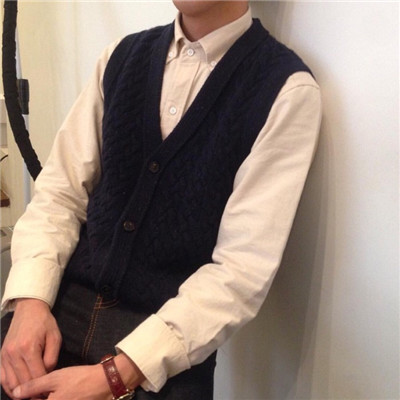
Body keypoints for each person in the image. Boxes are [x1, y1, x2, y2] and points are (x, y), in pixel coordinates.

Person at [0, 1, 322, 399]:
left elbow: (241, 272)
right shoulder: (120, 58)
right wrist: (29, 301)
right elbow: (59, 193)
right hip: (52, 318)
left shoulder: (286, 91)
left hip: (162, 355)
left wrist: (115, 376)